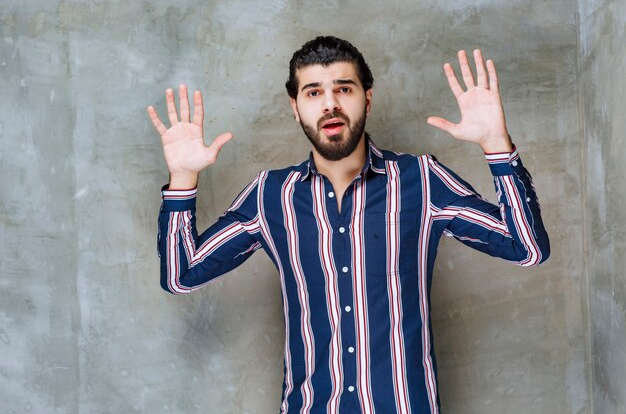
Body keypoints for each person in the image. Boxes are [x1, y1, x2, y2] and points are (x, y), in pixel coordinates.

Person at [147, 36, 549, 414]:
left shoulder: (421, 180)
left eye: (344, 88)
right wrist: (182, 178)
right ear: (295, 106)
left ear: (367, 99)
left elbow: (526, 248)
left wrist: (497, 144)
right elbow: (182, 275)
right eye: (314, 92)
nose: (330, 104)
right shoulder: (271, 196)